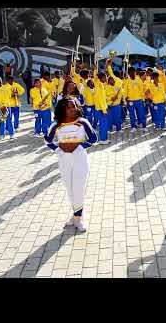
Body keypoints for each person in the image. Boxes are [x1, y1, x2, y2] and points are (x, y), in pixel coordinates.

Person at [44, 96, 98, 232]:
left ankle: (78, 219)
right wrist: (58, 150)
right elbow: (48, 140)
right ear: (62, 108)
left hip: (80, 158)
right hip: (64, 160)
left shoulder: (82, 122)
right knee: (70, 189)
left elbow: (93, 138)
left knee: (78, 188)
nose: (73, 109)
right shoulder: (56, 125)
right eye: (69, 106)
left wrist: (80, 147)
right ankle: (76, 215)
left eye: (74, 106)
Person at [123, 66, 147, 133]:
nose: (132, 73)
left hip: (139, 100)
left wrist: (143, 99)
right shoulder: (127, 81)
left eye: (133, 72)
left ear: (135, 72)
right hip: (130, 101)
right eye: (130, 72)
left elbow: (142, 89)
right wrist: (126, 100)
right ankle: (133, 127)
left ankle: (144, 126)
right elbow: (125, 91)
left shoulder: (138, 79)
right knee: (132, 115)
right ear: (128, 73)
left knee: (141, 114)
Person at [105, 61, 125, 136]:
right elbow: (104, 97)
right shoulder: (106, 87)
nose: (111, 80)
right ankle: (109, 129)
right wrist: (111, 98)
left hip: (117, 105)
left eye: (112, 79)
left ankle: (118, 129)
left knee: (118, 117)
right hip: (109, 105)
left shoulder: (118, 84)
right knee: (109, 118)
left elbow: (122, 92)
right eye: (109, 80)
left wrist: (119, 96)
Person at [93, 71, 111, 144]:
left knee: (105, 124)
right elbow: (100, 99)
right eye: (105, 77)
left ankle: (105, 138)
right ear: (102, 78)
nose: (106, 78)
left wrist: (106, 107)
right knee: (103, 125)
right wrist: (104, 110)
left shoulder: (101, 85)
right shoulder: (99, 85)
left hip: (103, 108)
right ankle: (102, 140)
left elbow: (103, 98)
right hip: (100, 109)